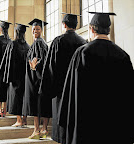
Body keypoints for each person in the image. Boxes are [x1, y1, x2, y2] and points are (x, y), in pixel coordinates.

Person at [58, 12, 134, 144]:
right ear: (108, 30)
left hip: (87, 125)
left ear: (91, 29)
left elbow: (71, 92)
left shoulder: (82, 53)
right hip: (115, 126)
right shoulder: (123, 56)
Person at [38, 13, 87, 144]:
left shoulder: (58, 41)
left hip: (60, 90)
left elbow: (51, 68)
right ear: (76, 26)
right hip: (78, 90)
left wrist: (47, 90)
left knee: (62, 124)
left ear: (64, 25)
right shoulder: (83, 42)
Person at [22, 18, 50, 139]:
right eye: (33, 29)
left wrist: (34, 69)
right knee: (42, 105)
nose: (35, 31)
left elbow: (41, 62)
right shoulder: (42, 43)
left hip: (37, 80)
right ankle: (43, 130)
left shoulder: (38, 43)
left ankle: (36, 130)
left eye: (38, 29)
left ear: (42, 30)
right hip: (40, 79)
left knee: (37, 105)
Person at [6, 23, 30, 127]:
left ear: (16, 32)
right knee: (24, 97)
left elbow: (10, 61)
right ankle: (24, 119)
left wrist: (8, 76)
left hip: (16, 76)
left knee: (16, 97)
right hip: (25, 76)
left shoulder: (13, 44)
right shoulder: (27, 45)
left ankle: (19, 120)